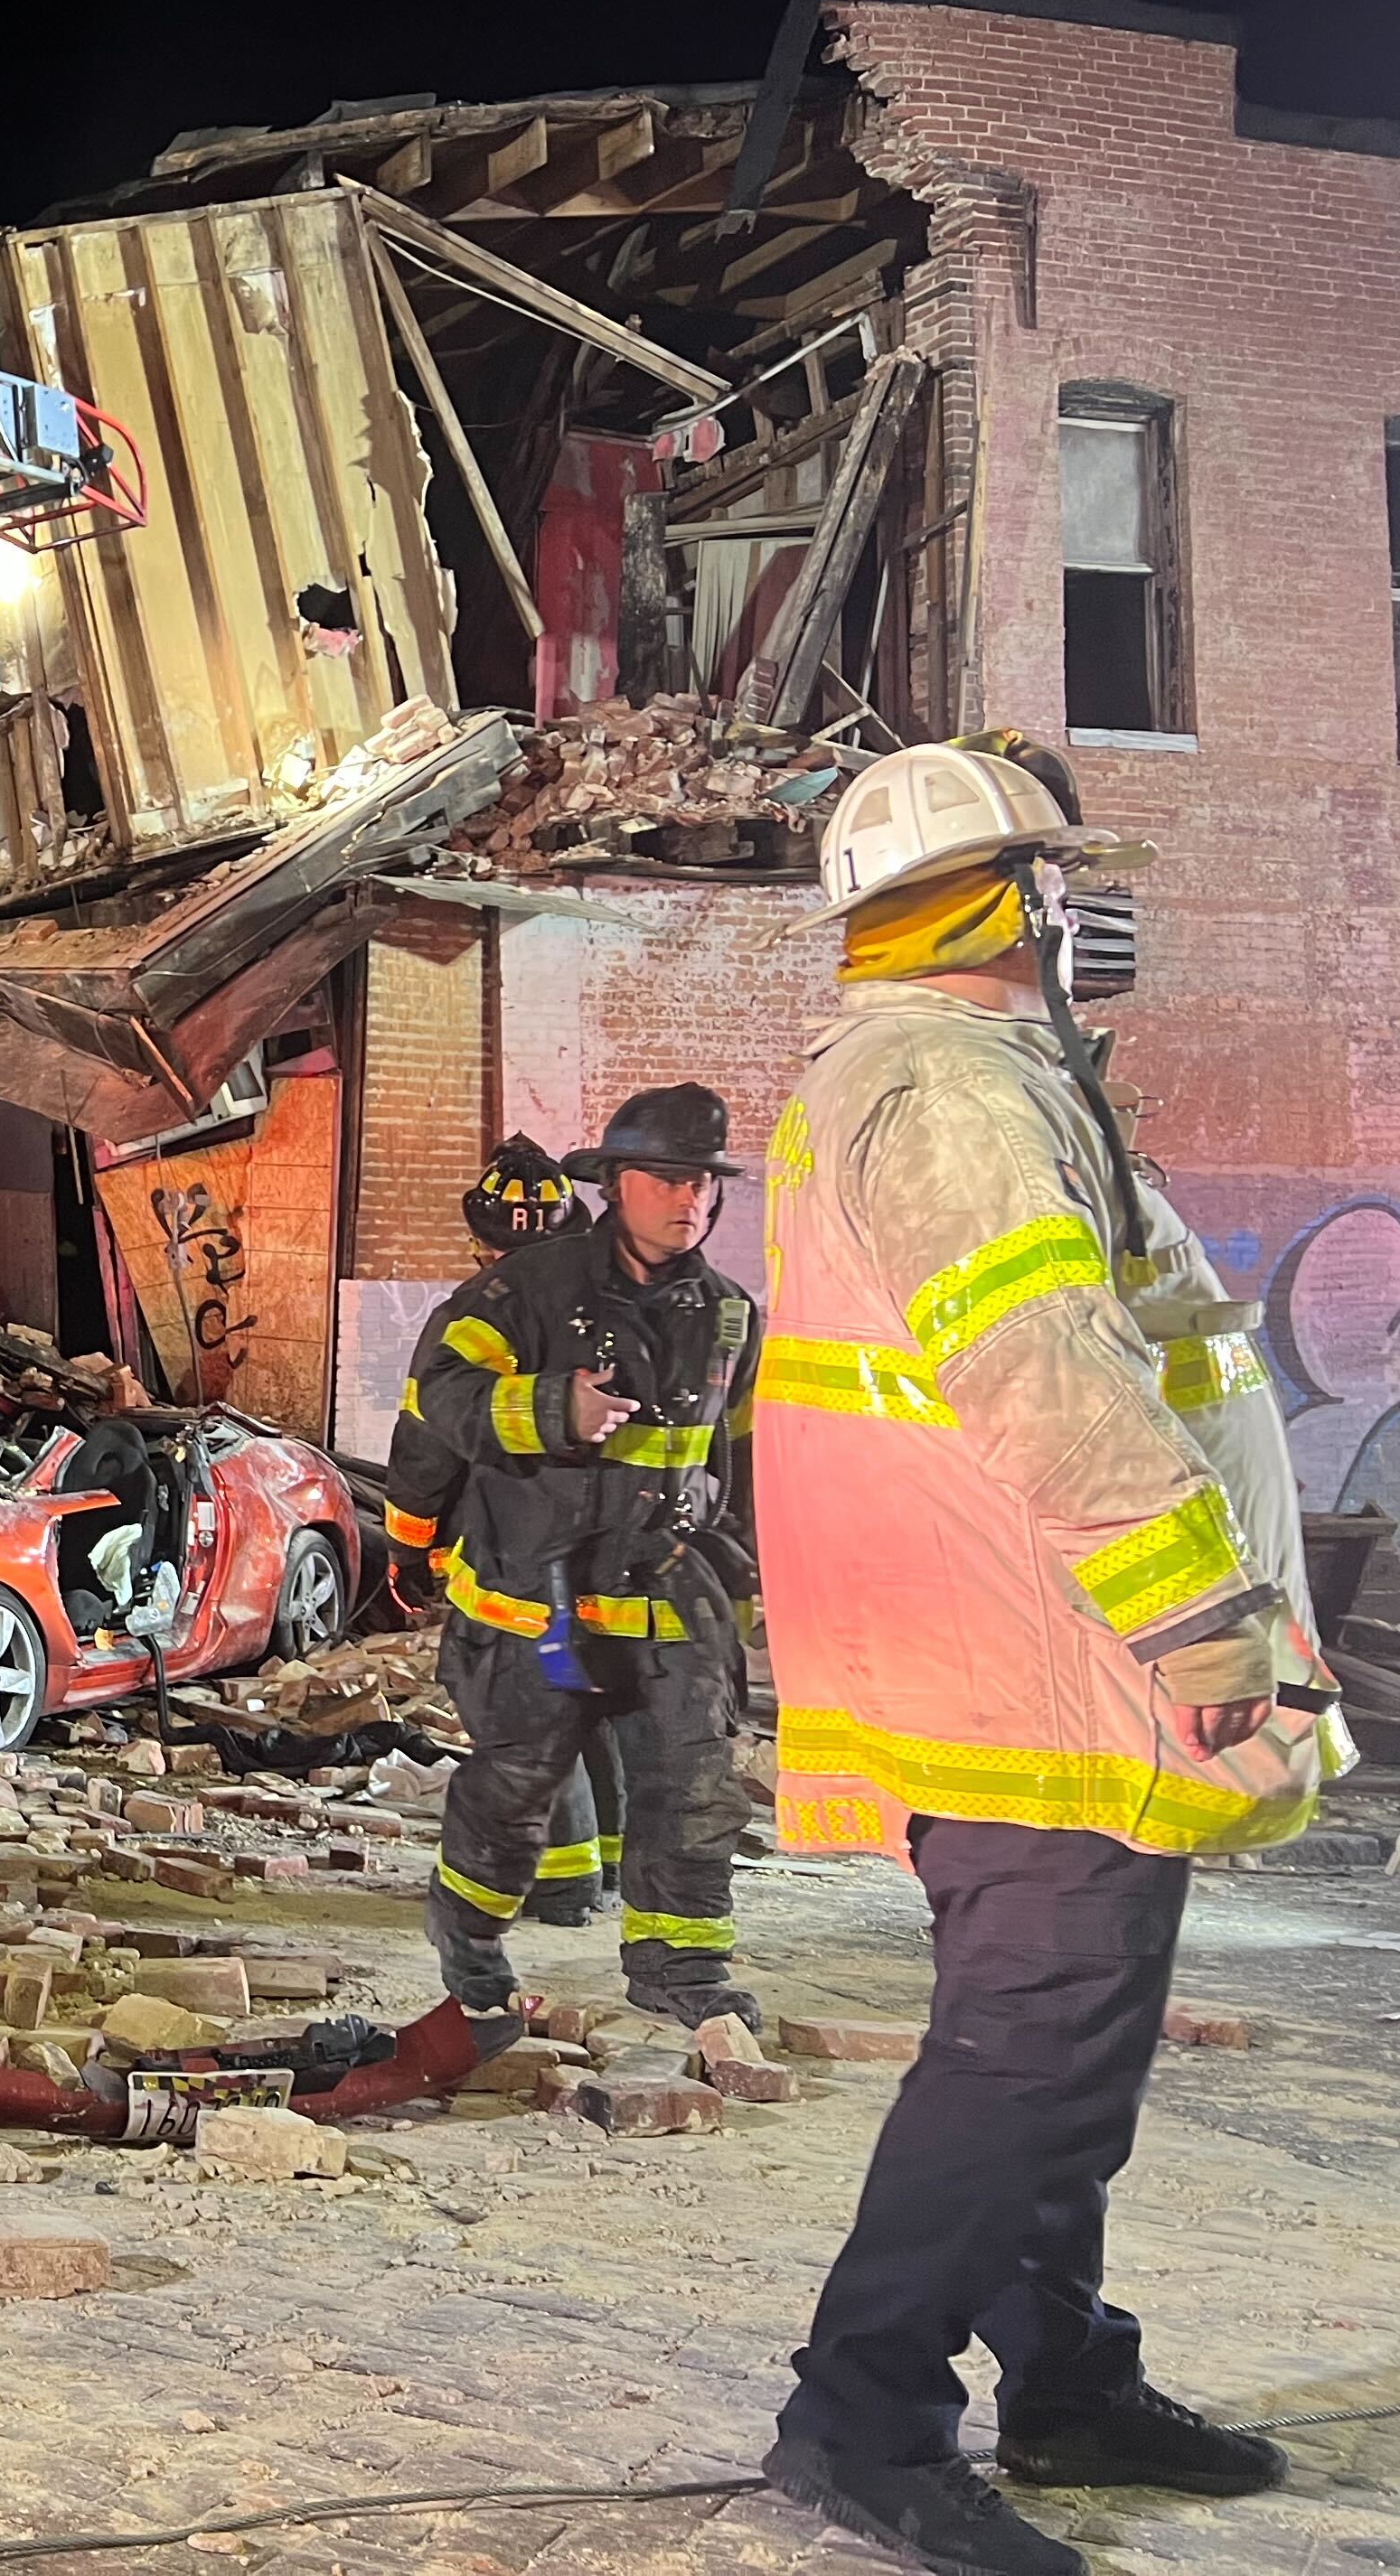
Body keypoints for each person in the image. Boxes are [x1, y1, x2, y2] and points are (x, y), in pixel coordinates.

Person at [756, 739, 1332, 2576]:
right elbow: (1043, 1366)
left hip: (1046, 1657)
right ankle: (861, 2418)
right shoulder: (946, 1083)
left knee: (1062, 2058)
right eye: (1064, 887)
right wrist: (1204, 1616)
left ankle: (1064, 2378)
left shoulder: (972, 1071)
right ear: (1011, 904)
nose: (1089, 917)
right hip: (1042, 1658)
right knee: (1025, 2059)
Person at [395, 1085, 764, 2041]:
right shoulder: (526, 1289)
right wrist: (553, 1408)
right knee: (519, 1786)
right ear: (616, 1183)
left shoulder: (729, 1317)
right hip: (535, 1596)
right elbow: (440, 1397)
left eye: (705, 1184)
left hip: (671, 1596)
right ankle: (470, 1936)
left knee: (692, 1787)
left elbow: (743, 1462)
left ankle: (681, 1969)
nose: (693, 1201)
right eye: (670, 1180)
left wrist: (743, 1590)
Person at [385, 1134, 622, 1926]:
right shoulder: (635, 1293)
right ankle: (612, 1864)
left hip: (521, 1550)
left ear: (481, 1241)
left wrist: (409, 1542)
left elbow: (429, 1440)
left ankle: (559, 1882)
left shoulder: (480, 1313)